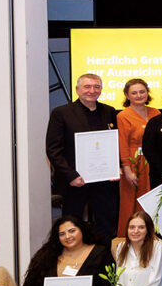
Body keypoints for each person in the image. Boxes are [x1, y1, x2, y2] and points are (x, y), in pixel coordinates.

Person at [46, 73, 119, 237]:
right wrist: (71, 175)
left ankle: (103, 260)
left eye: (96, 87)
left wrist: (115, 168)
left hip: (104, 182)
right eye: (87, 87)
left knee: (106, 225)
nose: (92, 91)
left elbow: (113, 144)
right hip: (75, 182)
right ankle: (73, 260)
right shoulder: (62, 113)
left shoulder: (109, 111)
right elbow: (53, 149)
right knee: (71, 226)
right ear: (78, 90)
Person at [116, 78, 158, 239]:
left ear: (147, 93)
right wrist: (126, 168)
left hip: (153, 163)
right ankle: (127, 241)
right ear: (127, 95)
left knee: (152, 200)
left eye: (142, 91)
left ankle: (151, 239)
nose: (139, 95)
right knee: (130, 203)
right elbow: (123, 143)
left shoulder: (155, 112)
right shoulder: (123, 115)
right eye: (134, 92)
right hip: (134, 164)